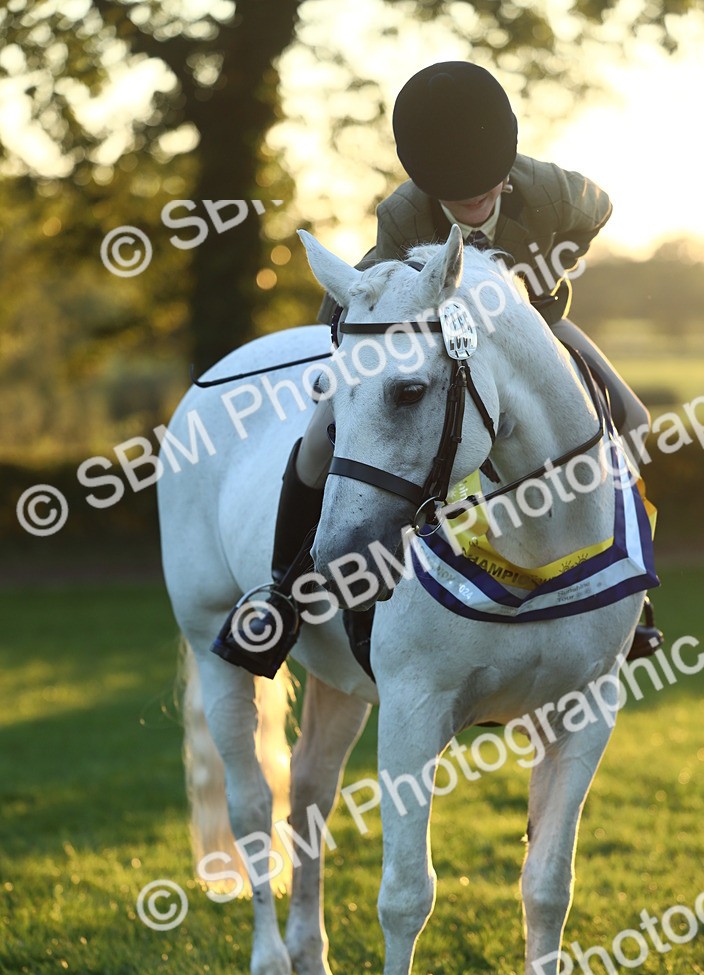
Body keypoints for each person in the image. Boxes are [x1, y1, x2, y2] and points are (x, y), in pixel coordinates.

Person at [252, 62, 661, 676]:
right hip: (440, 347)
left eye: (485, 185)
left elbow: (597, 211)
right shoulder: (403, 216)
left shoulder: (553, 190)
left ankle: (630, 593)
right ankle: (283, 592)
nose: (473, 198)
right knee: (316, 443)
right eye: (456, 191)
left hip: (534, 333)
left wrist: (542, 280)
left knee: (633, 421)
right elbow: (370, 297)